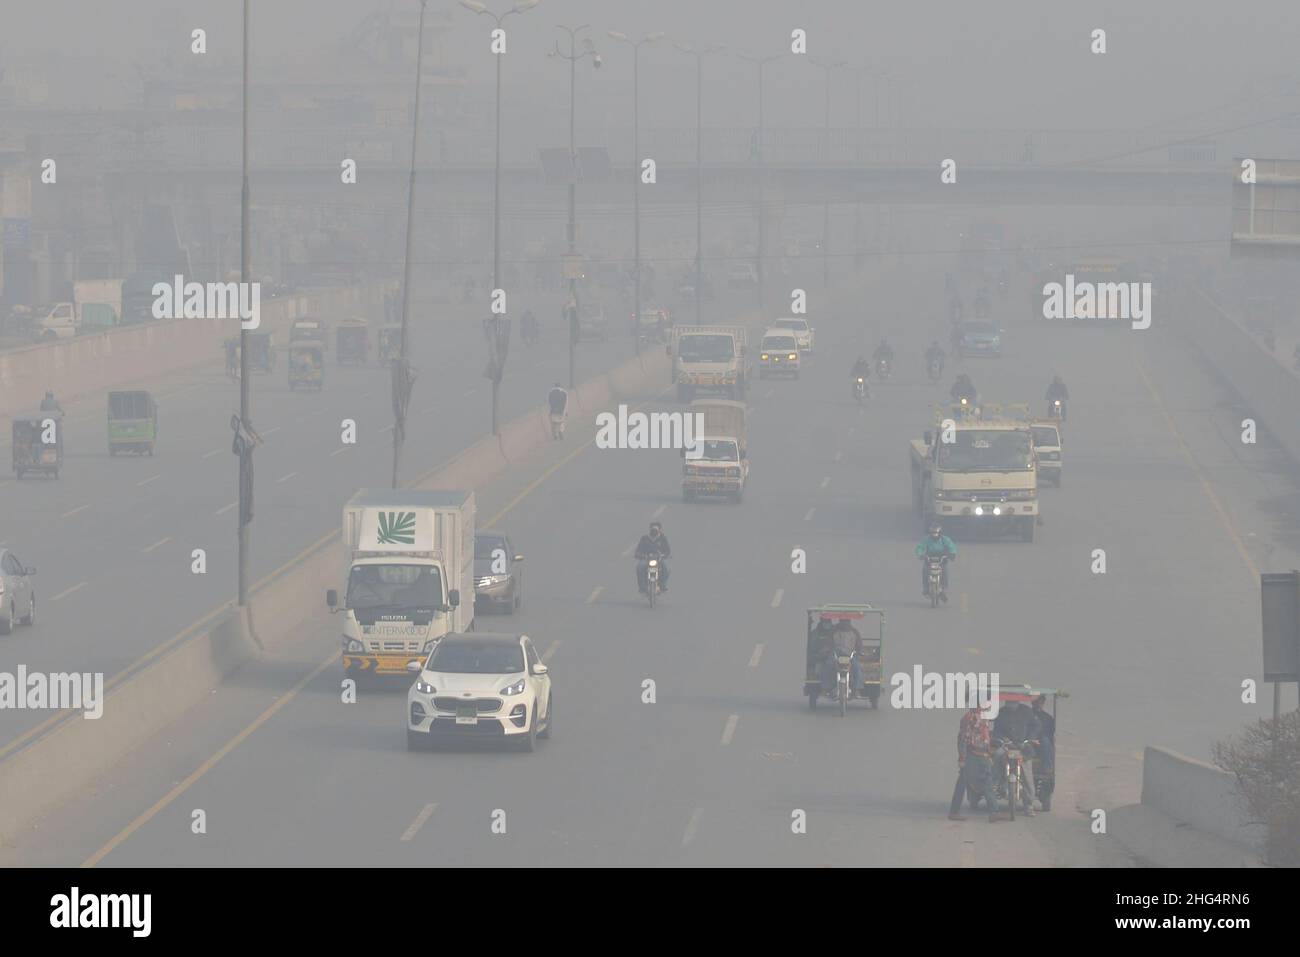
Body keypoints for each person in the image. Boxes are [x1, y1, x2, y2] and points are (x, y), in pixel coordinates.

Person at [949, 702, 1003, 822]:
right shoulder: (969, 718)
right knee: (963, 782)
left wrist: (989, 751)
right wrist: (962, 758)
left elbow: (985, 737)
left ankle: (994, 812)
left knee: (987, 782)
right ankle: (954, 811)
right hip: (972, 755)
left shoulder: (983, 718)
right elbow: (963, 738)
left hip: (983, 755)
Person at [992, 701, 1040, 815]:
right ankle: (994, 785)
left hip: (1023, 748)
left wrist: (1030, 739)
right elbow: (996, 731)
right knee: (998, 755)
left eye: (1012, 702)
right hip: (1006, 746)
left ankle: (1029, 805)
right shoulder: (1001, 712)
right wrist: (1003, 739)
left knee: (1027, 775)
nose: (1010, 705)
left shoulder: (1027, 711)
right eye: (1008, 702)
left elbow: (1037, 725)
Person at [819, 618, 865, 698]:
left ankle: (857, 689)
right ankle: (825, 688)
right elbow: (828, 643)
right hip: (836, 655)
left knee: (857, 668)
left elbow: (859, 645)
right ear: (840, 622)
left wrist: (860, 651)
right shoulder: (833, 631)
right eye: (843, 621)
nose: (845, 623)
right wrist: (826, 649)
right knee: (828, 665)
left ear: (849, 622)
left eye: (846, 621)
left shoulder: (855, 632)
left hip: (850, 656)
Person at [915, 522, 957, 600]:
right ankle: (926, 588)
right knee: (925, 570)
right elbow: (920, 547)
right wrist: (921, 554)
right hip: (929, 558)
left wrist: (952, 554)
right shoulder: (926, 539)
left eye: (936, 533)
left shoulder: (945, 539)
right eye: (933, 533)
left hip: (942, 558)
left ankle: (943, 589)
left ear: (940, 533)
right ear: (930, 533)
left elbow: (951, 547)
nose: (935, 535)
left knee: (944, 571)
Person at [1031, 694, 1056, 807]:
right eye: (1035, 701)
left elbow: (1050, 736)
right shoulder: (1027, 714)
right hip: (1026, 742)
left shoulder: (1048, 718)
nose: (1037, 704)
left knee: (1046, 741)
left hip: (1041, 746)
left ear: (1043, 702)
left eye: (1040, 701)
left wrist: (1038, 739)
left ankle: (1047, 767)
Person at [635, 522, 671, 594]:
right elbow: (639, 550)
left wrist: (665, 555)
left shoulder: (663, 538)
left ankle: (663, 585)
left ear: (660, 530)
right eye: (653, 529)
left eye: (656, 529)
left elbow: (667, 550)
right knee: (639, 567)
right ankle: (642, 587)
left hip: (659, 559)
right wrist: (640, 555)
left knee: (667, 568)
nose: (654, 531)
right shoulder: (644, 538)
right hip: (646, 558)